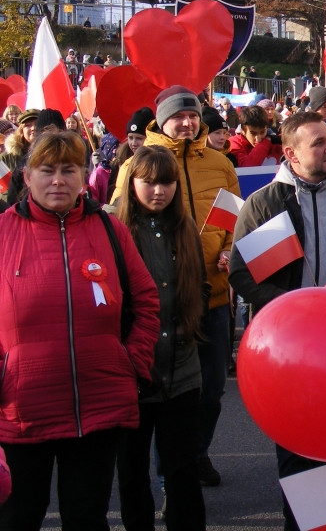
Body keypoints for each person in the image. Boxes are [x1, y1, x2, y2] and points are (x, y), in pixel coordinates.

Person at [0, 131, 159, 531]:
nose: (58, 180)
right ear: (27, 176)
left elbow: (145, 300)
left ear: (84, 176)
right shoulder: (3, 233)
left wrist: (131, 362)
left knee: (87, 518)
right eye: (47, 170)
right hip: (21, 409)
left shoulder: (109, 229)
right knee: (18, 518)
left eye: (69, 170)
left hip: (98, 404)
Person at [229, 111, 326, 531]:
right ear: (291, 154)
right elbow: (243, 274)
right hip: (290, 351)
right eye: (318, 142)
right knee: (298, 453)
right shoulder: (265, 203)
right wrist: (295, 311)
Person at [113, 85, 240, 489]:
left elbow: (234, 217)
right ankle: (171, 467)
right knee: (162, 391)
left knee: (211, 388)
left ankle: (195, 453)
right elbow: (119, 223)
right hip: (159, 304)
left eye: (193, 116)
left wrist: (229, 249)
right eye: (178, 117)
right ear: (161, 121)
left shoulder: (221, 163)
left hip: (213, 294)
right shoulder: (137, 164)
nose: (187, 123)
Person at [114, 145, 206, 531]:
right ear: (131, 182)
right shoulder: (113, 230)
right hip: (131, 372)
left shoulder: (185, 227)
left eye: (167, 182)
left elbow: (200, 286)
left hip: (182, 369)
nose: (158, 191)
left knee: (183, 470)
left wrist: (192, 327)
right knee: (132, 472)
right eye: (149, 182)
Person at [0, 108, 39, 204]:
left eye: (37, 124)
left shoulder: (53, 154)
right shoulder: (6, 157)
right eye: (28, 125)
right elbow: (4, 192)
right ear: (21, 130)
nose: (33, 128)